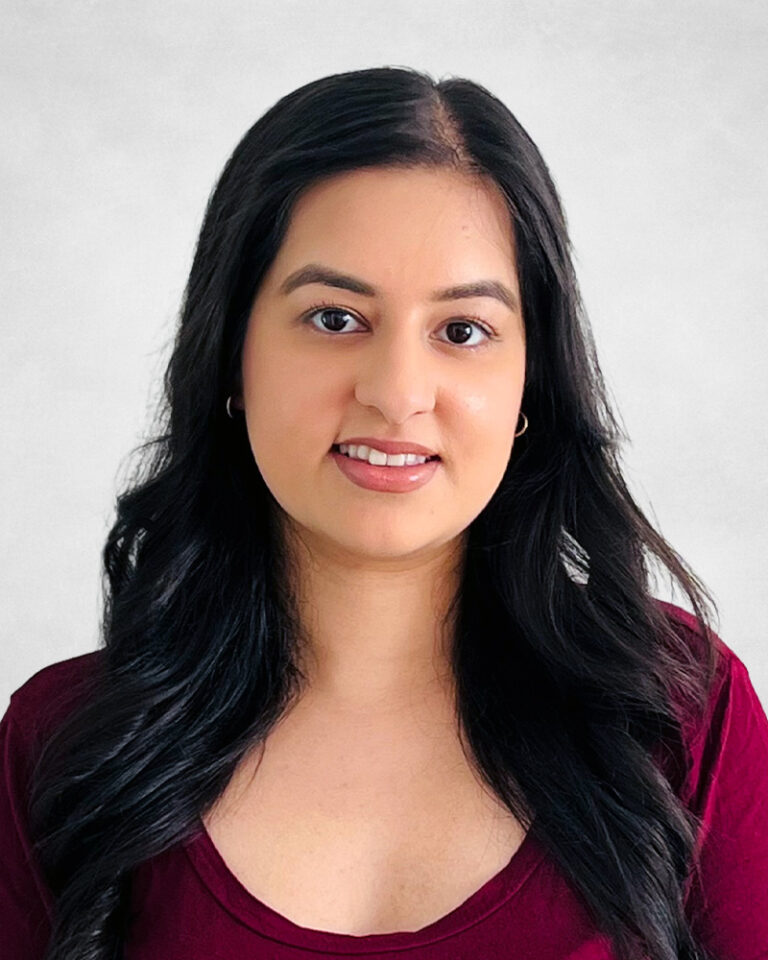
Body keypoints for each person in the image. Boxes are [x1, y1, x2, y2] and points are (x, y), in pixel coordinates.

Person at [1, 65, 767, 960]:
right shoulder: (64, 743)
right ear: (232, 354)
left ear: (531, 382)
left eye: (462, 331)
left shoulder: (678, 713)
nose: (397, 393)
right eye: (335, 318)